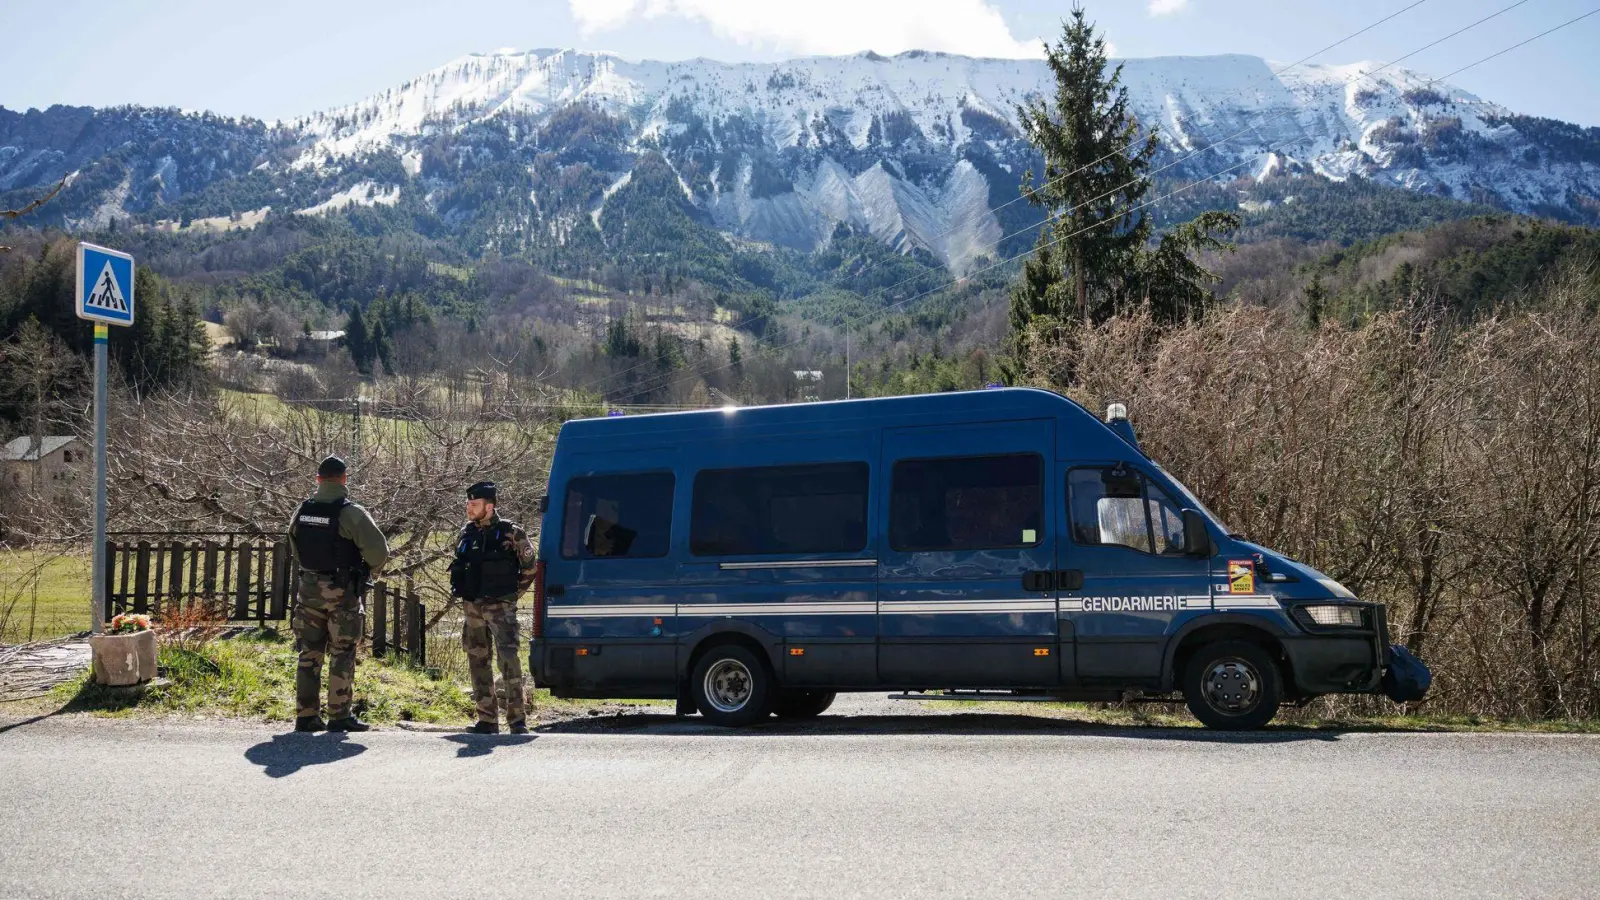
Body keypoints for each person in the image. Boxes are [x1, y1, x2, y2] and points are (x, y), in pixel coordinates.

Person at [286, 455, 389, 733]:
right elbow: (379, 551)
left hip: (307, 591)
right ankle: (339, 715)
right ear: (344, 479)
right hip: (342, 592)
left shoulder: (302, 510)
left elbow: (293, 543)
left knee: (309, 652)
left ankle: (306, 716)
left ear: (318, 479)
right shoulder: (350, 512)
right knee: (342, 651)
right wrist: (368, 571)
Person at [449, 481, 537, 734]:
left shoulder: (512, 533)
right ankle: (487, 719)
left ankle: (517, 720)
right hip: (473, 608)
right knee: (477, 660)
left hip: (501, 608)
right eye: (468, 503)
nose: (469, 508)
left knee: (509, 662)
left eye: (474, 504)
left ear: (489, 506)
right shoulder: (466, 533)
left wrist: (511, 596)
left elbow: (530, 568)